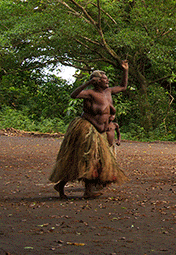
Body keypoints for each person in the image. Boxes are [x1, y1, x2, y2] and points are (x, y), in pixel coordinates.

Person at [50, 61, 129, 199]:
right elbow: (73, 95)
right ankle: (83, 189)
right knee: (87, 159)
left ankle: (83, 188)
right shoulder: (90, 93)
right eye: (104, 79)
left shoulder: (108, 92)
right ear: (97, 81)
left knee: (98, 160)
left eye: (107, 79)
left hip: (102, 131)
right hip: (88, 129)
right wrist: (87, 83)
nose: (107, 81)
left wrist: (125, 70)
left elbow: (123, 86)